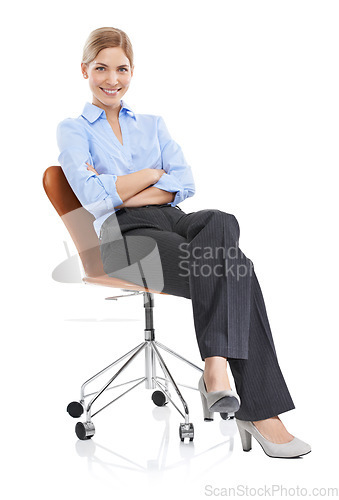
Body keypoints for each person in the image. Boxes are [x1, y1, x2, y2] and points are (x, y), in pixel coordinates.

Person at [57, 27, 311, 458]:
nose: (112, 79)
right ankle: (260, 410)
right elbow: (95, 197)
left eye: (121, 68)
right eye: (101, 68)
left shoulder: (153, 124)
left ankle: (216, 366)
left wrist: (125, 184)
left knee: (221, 220)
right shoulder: (73, 129)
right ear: (85, 70)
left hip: (175, 221)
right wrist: (154, 176)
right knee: (238, 270)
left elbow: (186, 182)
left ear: (132, 71)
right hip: (121, 234)